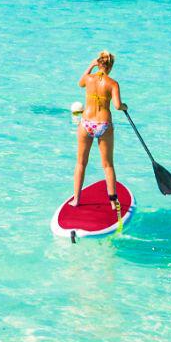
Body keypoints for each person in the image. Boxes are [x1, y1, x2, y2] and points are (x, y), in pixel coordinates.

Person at [72, 51, 123, 223]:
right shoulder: (113, 84)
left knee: (80, 163)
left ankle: (76, 200)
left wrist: (90, 65)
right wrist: (124, 106)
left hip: (86, 123)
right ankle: (113, 202)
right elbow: (117, 106)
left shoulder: (89, 79)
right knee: (108, 165)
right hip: (103, 125)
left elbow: (80, 83)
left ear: (98, 63)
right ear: (110, 66)